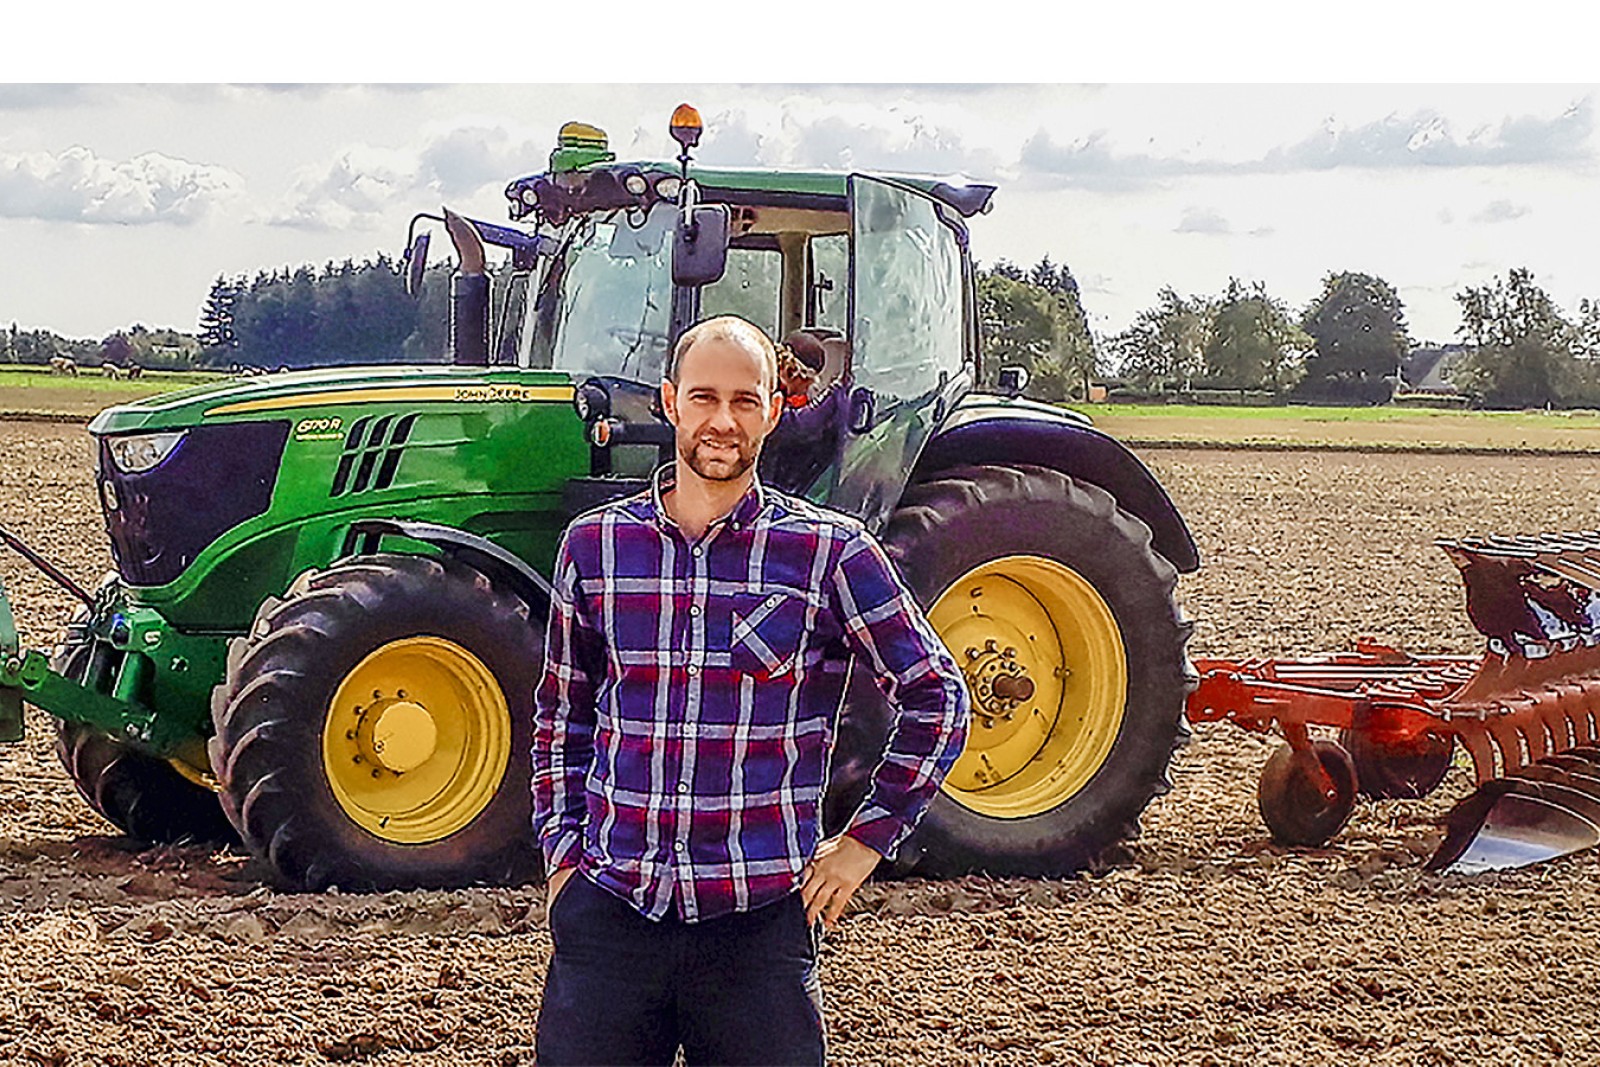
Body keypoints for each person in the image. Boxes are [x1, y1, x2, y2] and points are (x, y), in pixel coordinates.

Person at [532, 315, 970, 1066]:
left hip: (757, 922)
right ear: (671, 403)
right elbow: (562, 715)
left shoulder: (828, 552)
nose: (723, 420)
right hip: (611, 914)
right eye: (704, 397)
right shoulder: (596, 545)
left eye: (745, 400)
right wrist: (561, 856)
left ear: (774, 410)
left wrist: (865, 842)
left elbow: (938, 696)